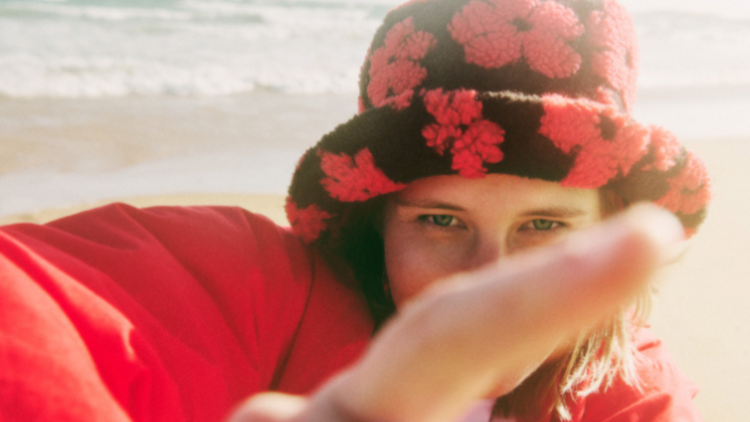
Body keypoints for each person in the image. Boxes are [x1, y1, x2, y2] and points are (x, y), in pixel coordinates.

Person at [0, 0, 711, 421]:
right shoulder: (249, 283)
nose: (483, 277)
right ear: (375, 217)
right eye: (440, 221)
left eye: (545, 226)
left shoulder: (631, 398)